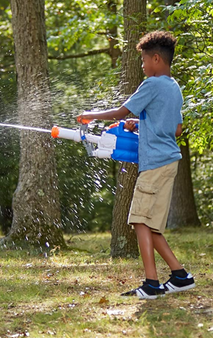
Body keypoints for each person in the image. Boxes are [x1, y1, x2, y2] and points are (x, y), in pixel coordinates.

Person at [78, 30, 195, 300]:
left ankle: (151, 284)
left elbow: (121, 112)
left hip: (154, 164)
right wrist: (142, 124)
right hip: (169, 161)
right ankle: (180, 276)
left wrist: (89, 116)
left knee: (139, 221)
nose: (142, 65)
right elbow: (175, 129)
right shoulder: (173, 87)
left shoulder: (152, 85)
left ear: (156, 58)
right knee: (151, 226)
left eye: (143, 60)